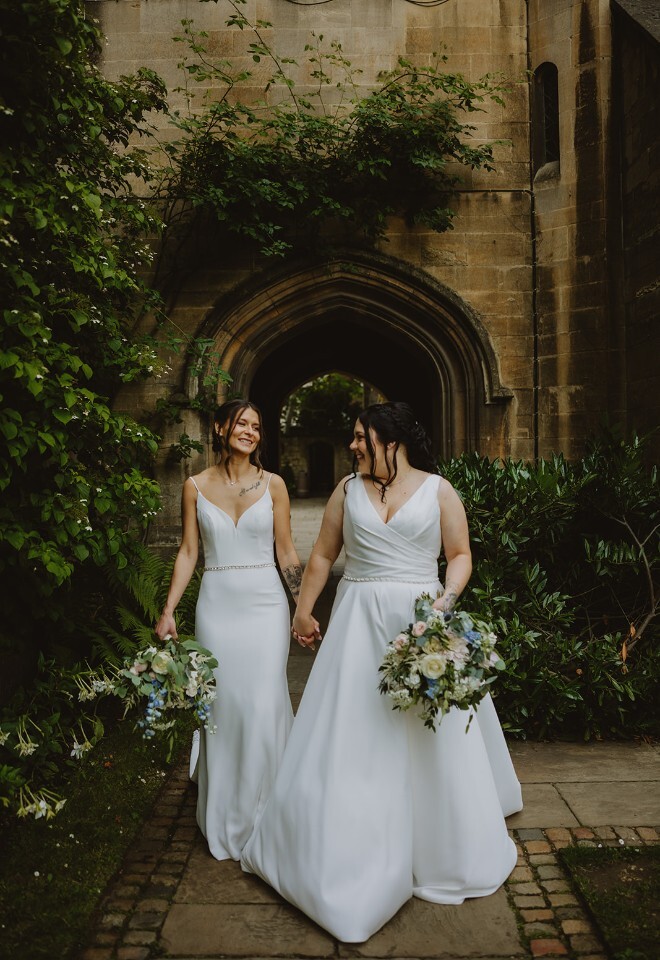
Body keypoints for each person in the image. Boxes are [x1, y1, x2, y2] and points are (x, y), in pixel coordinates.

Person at [241, 401, 522, 942]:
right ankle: (351, 836)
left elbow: (459, 554)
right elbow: (322, 555)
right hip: (357, 624)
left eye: (360, 437)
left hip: (419, 621)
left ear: (391, 441)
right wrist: (303, 607)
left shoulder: (440, 490)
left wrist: (446, 601)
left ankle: (439, 843)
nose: (352, 446)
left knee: (427, 732)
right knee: (357, 730)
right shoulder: (347, 491)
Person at [154, 399, 302, 861]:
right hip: (218, 605)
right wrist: (168, 610)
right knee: (222, 704)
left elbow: (287, 553)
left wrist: (304, 607)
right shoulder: (194, 486)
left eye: (257, 426)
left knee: (262, 701)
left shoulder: (274, 485)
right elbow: (187, 553)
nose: (250, 432)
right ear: (220, 428)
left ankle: (267, 811)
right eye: (242, 423)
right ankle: (223, 811)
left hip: (265, 604)